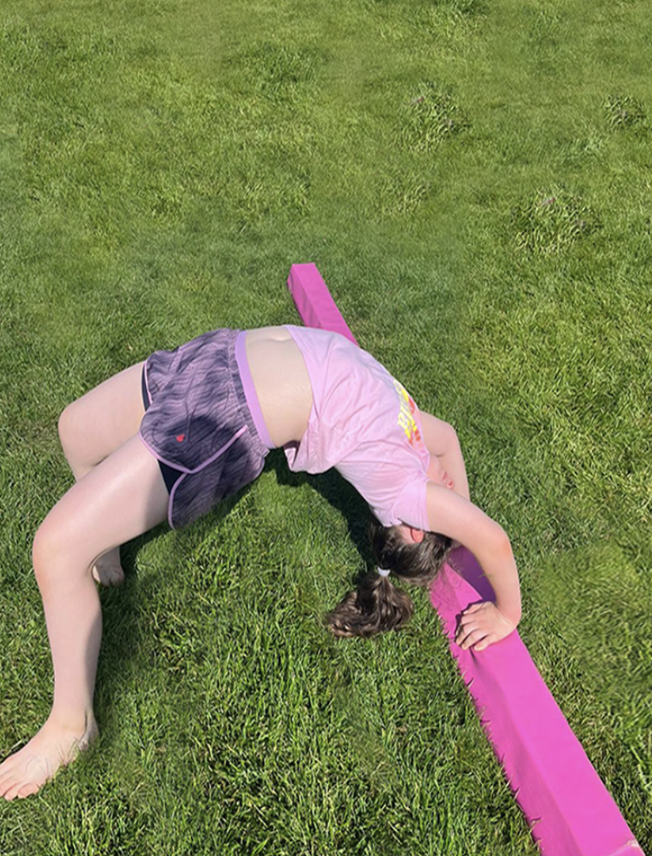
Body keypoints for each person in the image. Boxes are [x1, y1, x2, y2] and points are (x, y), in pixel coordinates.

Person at [0, 325, 521, 800]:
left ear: (414, 527)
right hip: (215, 355)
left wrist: (506, 613)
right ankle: (106, 547)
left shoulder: (409, 491)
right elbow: (448, 438)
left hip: (227, 414)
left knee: (55, 550)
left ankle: (72, 726)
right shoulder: (412, 434)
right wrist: (456, 510)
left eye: (446, 512)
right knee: (74, 430)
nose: (452, 487)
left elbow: (494, 541)